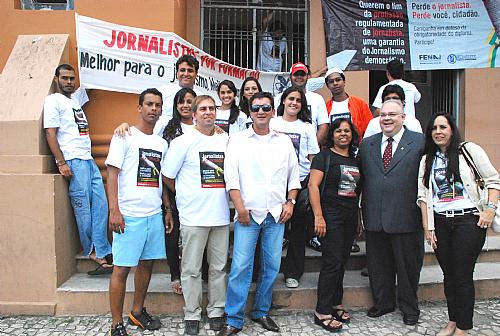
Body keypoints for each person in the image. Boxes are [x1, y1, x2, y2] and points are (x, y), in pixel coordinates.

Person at [218, 92, 301, 335]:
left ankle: (261, 311)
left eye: (266, 107)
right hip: (248, 214)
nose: (261, 111)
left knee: (272, 266)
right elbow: (230, 179)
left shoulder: (283, 141)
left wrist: (291, 202)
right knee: (241, 266)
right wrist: (240, 209)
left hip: (276, 215)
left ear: (273, 111)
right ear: (250, 111)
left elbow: (293, 178)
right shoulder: (238, 140)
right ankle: (233, 319)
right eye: (256, 108)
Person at [417, 113, 500, 336]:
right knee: (448, 275)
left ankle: (463, 326)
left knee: (462, 274)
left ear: (452, 129)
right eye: (434, 128)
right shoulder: (427, 159)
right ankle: (453, 321)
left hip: (468, 221)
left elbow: (493, 180)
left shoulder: (468, 150)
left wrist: (490, 210)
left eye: (443, 127)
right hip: (441, 223)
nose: (438, 131)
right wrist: (428, 227)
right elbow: (423, 196)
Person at [106, 88, 170, 336]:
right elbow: (112, 173)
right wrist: (114, 210)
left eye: (158, 105)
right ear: (139, 107)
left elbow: (159, 179)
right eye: (149, 104)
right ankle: (116, 323)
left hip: (153, 214)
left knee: (146, 265)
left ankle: (137, 311)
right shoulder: (124, 135)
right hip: (128, 215)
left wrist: (166, 208)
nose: (154, 109)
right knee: (121, 269)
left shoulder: (161, 143)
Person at [164, 95, 230, 335]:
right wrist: (184, 195)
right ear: (193, 114)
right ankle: (192, 314)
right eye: (202, 109)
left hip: (221, 215)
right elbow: (168, 175)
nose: (208, 112)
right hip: (193, 217)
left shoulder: (225, 140)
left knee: (219, 268)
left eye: (212, 108)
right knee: (191, 269)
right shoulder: (182, 142)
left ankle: (216, 312)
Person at [359, 100, 425, 326]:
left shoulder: (419, 142)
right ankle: (383, 303)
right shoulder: (367, 144)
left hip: (406, 217)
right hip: (375, 216)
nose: (386, 118)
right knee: (378, 266)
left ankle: (409, 307)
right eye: (383, 114)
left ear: (403, 117)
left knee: (407, 267)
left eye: (392, 115)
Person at [43, 64, 112, 275]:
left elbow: (89, 86)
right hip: (73, 161)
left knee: (100, 205)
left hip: (88, 160)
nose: (69, 82)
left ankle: (102, 248)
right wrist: (61, 162)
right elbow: (50, 134)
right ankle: (93, 252)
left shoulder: (74, 100)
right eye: (65, 78)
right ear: (56, 79)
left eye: (72, 78)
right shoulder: (53, 101)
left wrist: (90, 56)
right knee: (84, 208)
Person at [309, 118, 362, 332]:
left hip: (349, 216)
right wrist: (318, 216)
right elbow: (313, 186)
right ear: (332, 134)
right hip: (330, 216)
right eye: (339, 131)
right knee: (331, 261)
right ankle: (322, 310)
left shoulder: (356, 160)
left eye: (347, 131)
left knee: (341, 261)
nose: (343, 134)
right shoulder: (324, 157)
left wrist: (358, 218)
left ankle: (335, 302)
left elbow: (357, 192)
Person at [272, 87, 320, 288]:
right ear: (283, 101)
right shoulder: (273, 123)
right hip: (274, 184)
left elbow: (312, 158)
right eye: (290, 98)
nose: (294, 103)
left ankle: (293, 272)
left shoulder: (307, 127)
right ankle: (267, 272)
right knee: (272, 230)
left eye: (298, 100)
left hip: (299, 183)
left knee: (298, 231)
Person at [162, 88, 197, 296]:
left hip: (198, 192)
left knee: (198, 233)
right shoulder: (169, 129)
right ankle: (175, 275)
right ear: (176, 106)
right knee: (172, 233)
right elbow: (164, 169)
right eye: (181, 102)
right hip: (173, 191)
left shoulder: (204, 127)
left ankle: (199, 273)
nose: (185, 105)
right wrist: (172, 197)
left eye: (189, 101)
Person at [274, 62, 330, 146]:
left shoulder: (317, 99)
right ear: (290, 77)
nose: (299, 77)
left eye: (302, 74)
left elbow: (323, 125)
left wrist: (312, 146)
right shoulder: (278, 98)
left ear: (308, 77)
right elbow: (274, 123)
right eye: (296, 74)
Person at [155, 55, 201, 135]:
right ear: (177, 73)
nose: (186, 74)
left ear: (196, 74)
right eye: (182, 70)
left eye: (190, 70)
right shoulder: (163, 92)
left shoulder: (201, 97)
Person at [324, 67, 373, 139]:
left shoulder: (360, 104)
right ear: (327, 86)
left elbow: (370, 130)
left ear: (344, 82)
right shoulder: (325, 107)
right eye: (331, 81)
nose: (335, 83)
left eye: (338, 80)